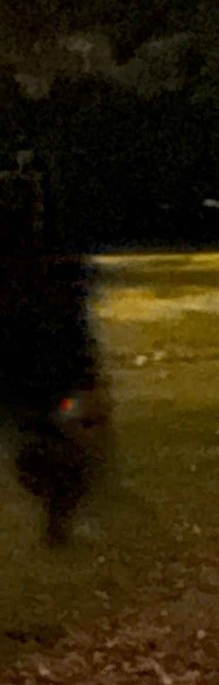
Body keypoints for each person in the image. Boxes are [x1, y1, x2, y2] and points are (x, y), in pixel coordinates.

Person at [0, 164, 112, 546]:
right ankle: (58, 519)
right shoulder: (57, 260)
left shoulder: (52, 261)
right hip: (48, 366)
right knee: (52, 436)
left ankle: (57, 518)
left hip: (39, 367)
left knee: (45, 435)